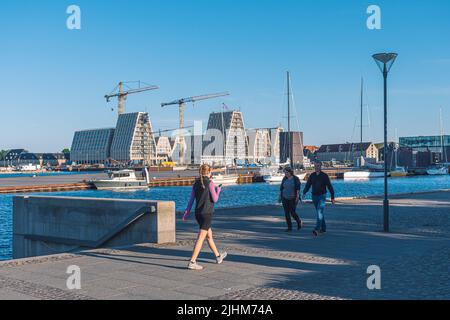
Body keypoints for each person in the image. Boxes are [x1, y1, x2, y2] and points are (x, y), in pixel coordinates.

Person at [183, 164, 227, 270]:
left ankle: (218, 256)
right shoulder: (210, 183)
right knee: (201, 238)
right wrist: (218, 190)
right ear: (209, 172)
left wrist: (186, 212)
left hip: (198, 214)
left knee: (209, 236)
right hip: (207, 214)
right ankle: (192, 262)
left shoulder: (196, 183)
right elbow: (215, 199)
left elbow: (191, 200)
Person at [302, 161, 335, 236]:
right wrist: (304, 192)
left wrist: (332, 197)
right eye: (315, 166)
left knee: (319, 212)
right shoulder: (312, 175)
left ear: (320, 166)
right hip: (314, 196)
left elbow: (329, 186)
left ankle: (317, 229)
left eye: (318, 166)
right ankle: (323, 228)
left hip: (322, 196)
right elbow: (308, 185)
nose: (316, 167)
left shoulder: (324, 176)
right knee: (320, 212)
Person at [279, 167, 302, 232]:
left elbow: (298, 188)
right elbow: (281, 188)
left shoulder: (295, 179)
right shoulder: (284, 178)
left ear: (290, 172)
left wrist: (297, 197)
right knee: (286, 213)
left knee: (292, 212)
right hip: (284, 197)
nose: (285, 174)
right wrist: (279, 197)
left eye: (287, 172)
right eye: (285, 172)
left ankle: (299, 221)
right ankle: (289, 227)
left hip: (293, 198)